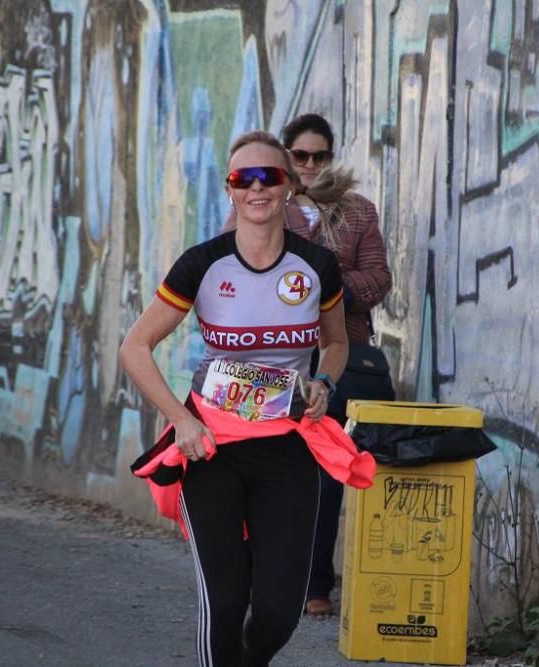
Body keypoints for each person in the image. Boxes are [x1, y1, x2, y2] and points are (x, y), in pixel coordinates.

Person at [120, 130, 375, 666]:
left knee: (280, 612)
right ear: (230, 191)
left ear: (288, 188)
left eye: (270, 176)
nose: (257, 188)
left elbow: (335, 341)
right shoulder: (203, 264)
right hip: (211, 447)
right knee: (226, 598)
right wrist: (180, 422)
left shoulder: (315, 267)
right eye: (243, 179)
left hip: (288, 448)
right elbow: (136, 347)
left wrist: (323, 384)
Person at [280, 113, 393, 617]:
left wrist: (325, 284)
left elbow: (378, 281)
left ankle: (316, 586)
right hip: (276, 355)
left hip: (338, 349)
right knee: (275, 470)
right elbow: (230, 263)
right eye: (300, 155)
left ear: (330, 156)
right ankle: (270, 574)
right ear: (286, 155)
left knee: (327, 473)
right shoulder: (263, 205)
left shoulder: (358, 212)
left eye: (318, 155)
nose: (309, 165)